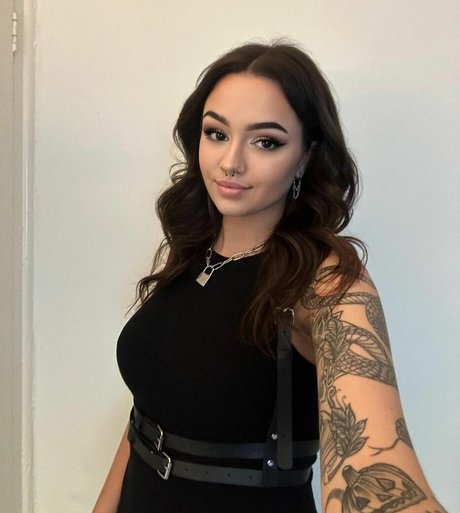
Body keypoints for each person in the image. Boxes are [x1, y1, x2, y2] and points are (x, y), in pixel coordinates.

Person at [92, 40, 446, 513]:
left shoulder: (327, 281)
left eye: (266, 142)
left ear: (305, 156)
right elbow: (147, 415)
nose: (231, 162)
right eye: (217, 133)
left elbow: (375, 468)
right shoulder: (194, 249)